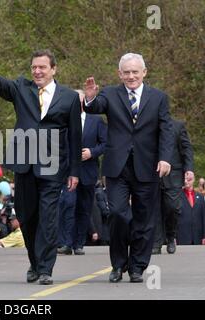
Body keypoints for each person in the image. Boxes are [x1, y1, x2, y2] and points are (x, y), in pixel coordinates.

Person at [0, 39, 82, 285]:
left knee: (49, 216)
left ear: (53, 69)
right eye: (34, 67)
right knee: (27, 215)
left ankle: (45, 269)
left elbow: (75, 136)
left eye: (42, 67)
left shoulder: (69, 97)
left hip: (54, 164)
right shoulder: (22, 87)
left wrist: (75, 170)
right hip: (24, 163)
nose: (37, 71)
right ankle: (34, 261)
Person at [84, 53, 173, 283]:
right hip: (117, 167)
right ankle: (118, 264)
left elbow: (166, 130)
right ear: (119, 74)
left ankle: (137, 266)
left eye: (135, 72)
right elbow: (96, 106)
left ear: (144, 72)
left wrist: (165, 158)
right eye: (126, 72)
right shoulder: (110, 94)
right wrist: (91, 99)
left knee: (144, 218)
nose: (131, 76)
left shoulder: (158, 98)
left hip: (148, 166)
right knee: (117, 214)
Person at [72, 90, 107, 255]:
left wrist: (92, 152)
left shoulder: (96, 120)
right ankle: (65, 242)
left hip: (88, 171)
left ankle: (78, 243)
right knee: (67, 206)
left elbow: (105, 143)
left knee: (84, 208)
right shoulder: (64, 119)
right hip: (68, 171)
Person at [152, 119, 194, 254]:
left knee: (172, 207)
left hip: (174, 174)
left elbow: (186, 149)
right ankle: (156, 242)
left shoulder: (177, 126)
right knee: (154, 209)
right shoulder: (147, 124)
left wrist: (189, 169)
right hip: (151, 173)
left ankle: (171, 236)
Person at [177, 174, 205, 245]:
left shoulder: (201, 197)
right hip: (181, 237)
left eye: (189, 179)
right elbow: (173, 217)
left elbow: (203, 218)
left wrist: (204, 236)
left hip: (198, 237)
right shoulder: (177, 196)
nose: (186, 182)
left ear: (194, 180)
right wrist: (172, 237)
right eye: (185, 179)